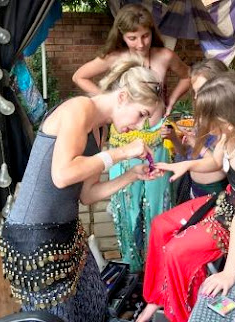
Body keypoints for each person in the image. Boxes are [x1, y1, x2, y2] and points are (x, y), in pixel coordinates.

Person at [0, 59, 164, 322]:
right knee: (61, 317)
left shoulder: (101, 128)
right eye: (142, 114)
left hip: (67, 234)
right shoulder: (79, 108)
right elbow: (63, 175)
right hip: (35, 240)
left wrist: (133, 175)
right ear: (122, 97)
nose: (141, 126)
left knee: (94, 305)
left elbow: (88, 194)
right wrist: (120, 153)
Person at [138, 72, 235, 322]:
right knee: (160, 225)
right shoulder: (229, 135)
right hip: (228, 202)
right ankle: (156, 298)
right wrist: (185, 166)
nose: (201, 120)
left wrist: (229, 272)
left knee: (176, 251)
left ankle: (182, 316)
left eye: (206, 115)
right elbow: (216, 161)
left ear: (228, 119)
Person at [72, 3, 190, 272]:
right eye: (132, 37)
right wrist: (104, 99)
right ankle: (132, 265)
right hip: (124, 141)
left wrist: (170, 100)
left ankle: (158, 264)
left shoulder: (164, 55)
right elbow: (79, 76)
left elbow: (188, 76)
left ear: (152, 32)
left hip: (157, 137)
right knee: (127, 204)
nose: (140, 43)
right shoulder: (115, 58)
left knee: (158, 203)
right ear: (122, 35)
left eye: (145, 35)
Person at [161, 58, 229, 204]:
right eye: (195, 92)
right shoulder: (201, 120)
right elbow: (186, 153)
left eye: (202, 91)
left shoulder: (227, 126)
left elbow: (218, 164)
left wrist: (196, 145)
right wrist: (173, 138)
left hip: (214, 196)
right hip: (194, 191)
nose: (197, 97)